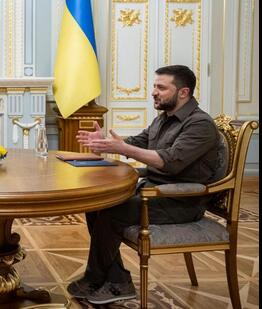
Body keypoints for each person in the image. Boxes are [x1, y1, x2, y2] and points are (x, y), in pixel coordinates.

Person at [68, 65, 220, 305]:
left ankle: (97, 277)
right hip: (153, 192)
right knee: (96, 204)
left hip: (180, 201)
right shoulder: (164, 119)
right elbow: (139, 141)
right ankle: (116, 280)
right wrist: (109, 142)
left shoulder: (200, 125)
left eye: (161, 87)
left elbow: (169, 162)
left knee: (111, 210)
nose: (153, 92)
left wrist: (123, 149)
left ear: (183, 92)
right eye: (154, 86)